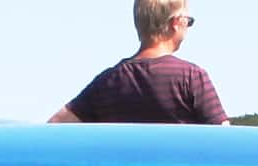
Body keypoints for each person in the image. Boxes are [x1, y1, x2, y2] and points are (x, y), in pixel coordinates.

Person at [49, 0, 229, 126]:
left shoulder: (108, 81)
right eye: (189, 21)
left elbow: (55, 126)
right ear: (176, 22)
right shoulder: (191, 77)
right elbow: (225, 141)